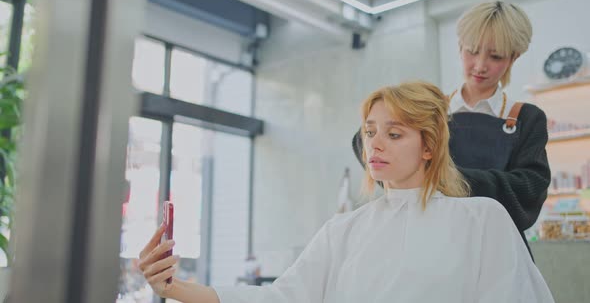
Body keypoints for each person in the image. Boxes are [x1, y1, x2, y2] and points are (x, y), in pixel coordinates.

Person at [139, 82, 554, 302]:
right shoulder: (345, 230)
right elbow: (283, 298)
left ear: (429, 146)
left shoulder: (481, 219)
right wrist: (175, 288)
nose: (375, 144)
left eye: (394, 134)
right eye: (371, 132)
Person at [353, 1, 550, 257]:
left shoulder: (527, 118)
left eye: (495, 56)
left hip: (498, 247)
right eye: (472, 51)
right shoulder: (426, 112)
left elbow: (530, 189)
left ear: (514, 57)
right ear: (459, 47)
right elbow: (364, 142)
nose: (480, 65)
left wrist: (443, 176)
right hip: (434, 242)